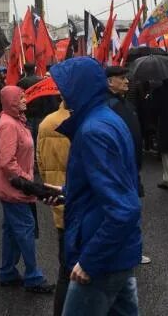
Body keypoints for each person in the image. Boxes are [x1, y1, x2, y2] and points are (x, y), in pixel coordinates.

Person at [48, 57, 142, 315]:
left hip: (102, 257)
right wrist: (67, 194)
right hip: (117, 252)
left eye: (64, 86)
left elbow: (124, 208)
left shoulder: (92, 131)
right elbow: (114, 185)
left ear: (79, 88)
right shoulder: (105, 119)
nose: (60, 92)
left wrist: (90, 261)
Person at [0, 85, 54, 293]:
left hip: (14, 185)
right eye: (21, 98)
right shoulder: (9, 125)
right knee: (25, 228)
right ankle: (33, 275)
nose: (25, 100)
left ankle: (7, 272)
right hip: (14, 187)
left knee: (11, 231)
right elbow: (7, 162)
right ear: (11, 102)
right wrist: (28, 180)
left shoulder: (15, 120)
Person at [104, 66, 149, 265]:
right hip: (120, 169)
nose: (127, 81)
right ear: (109, 82)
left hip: (131, 167)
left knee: (131, 209)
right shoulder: (108, 105)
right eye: (121, 78)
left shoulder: (124, 103)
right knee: (127, 210)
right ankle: (128, 252)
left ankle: (129, 250)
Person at [37, 99, 71, 315]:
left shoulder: (47, 123)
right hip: (82, 205)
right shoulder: (84, 123)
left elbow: (40, 161)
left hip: (60, 201)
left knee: (66, 272)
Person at [18, 63, 58, 145]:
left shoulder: (21, 82)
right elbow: (48, 96)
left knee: (29, 134)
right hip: (41, 111)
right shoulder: (42, 81)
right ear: (35, 69)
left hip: (27, 112)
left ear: (25, 70)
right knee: (39, 134)